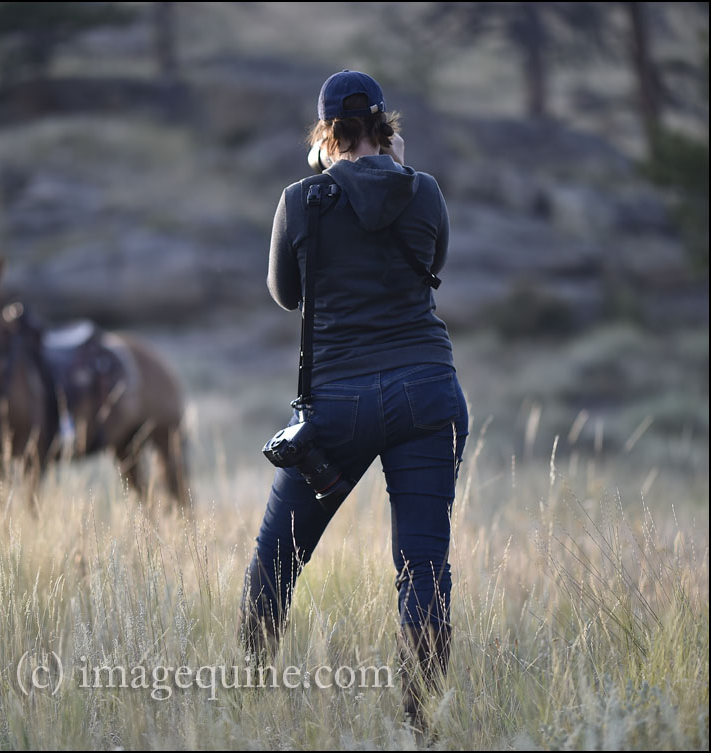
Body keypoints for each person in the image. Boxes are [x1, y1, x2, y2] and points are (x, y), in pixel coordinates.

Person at [239, 70, 469, 735]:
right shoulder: (424, 190)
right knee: (423, 569)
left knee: (273, 567)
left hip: (338, 404)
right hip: (429, 392)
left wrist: (325, 182)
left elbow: (286, 294)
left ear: (325, 134)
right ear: (384, 129)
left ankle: (246, 713)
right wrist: (396, 173)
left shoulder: (300, 199)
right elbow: (433, 265)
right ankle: (421, 729)